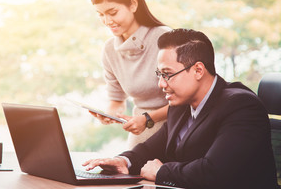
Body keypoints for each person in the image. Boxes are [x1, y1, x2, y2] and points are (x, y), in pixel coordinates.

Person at [83, 29, 279, 189]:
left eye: (167, 74)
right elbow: (151, 148)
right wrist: (123, 161)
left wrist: (161, 172)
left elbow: (215, 173)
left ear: (198, 70)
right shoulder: (180, 105)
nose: (161, 83)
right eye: (159, 74)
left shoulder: (241, 106)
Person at [88, 0, 170, 148]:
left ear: (133, 4)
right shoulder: (110, 50)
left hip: (175, 136)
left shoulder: (165, 39)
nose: (107, 21)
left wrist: (147, 118)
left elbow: (189, 102)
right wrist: (109, 114)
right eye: (101, 14)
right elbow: (117, 101)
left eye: (112, 12)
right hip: (140, 140)